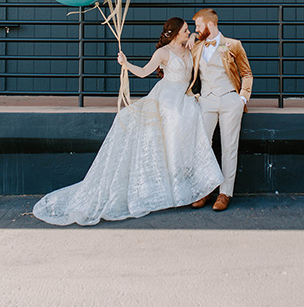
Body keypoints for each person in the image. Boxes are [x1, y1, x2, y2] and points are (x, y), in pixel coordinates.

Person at [33, 17, 224, 226]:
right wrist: (126, 63)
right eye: (186, 30)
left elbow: (207, 39)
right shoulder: (163, 53)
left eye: (189, 30)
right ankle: (175, 186)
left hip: (185, 95)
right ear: (176, 32)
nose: (189, 32)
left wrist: (196, 35)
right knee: (174, 120)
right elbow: (143, 73)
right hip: (167, 96)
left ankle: (192, 186)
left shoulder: (190, 45)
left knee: (191, 118)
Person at [187, 8, 253, 211]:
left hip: (229, 100)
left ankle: (225, 193)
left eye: (197, 26)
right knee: (203, 146)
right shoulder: (197, 47)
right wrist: (190, 36)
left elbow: (247, 74)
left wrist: (242, 98)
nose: (196, 30)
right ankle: (205, 190)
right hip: (206, 101)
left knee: (229, 147)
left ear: (210, 25)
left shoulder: (233, 45)